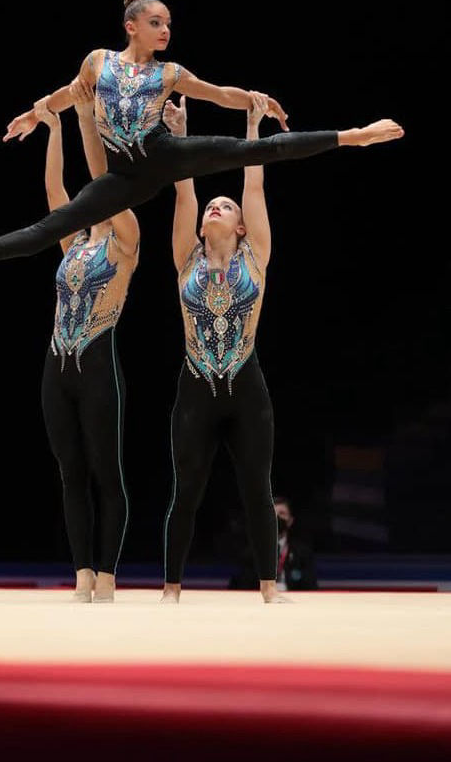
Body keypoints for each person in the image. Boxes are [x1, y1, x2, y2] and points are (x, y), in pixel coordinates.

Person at [0, 0, 403, 275]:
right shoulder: (97, 62)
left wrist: (253, 96)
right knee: (56, 225)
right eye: (156, 22)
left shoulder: (168, 73)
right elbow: (68, 93)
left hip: (163, 155)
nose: (165, 30)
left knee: (257, 149)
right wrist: (35, 112)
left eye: (168, 23)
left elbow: (217, 93)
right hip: (126, 177)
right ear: (132, 26)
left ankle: (354, 135)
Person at [161, 94, 285, 603]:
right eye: (213, 205)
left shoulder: (256, 255)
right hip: (194, 388)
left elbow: (252, 182)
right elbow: (183, 190)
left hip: (246, 388)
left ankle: (269, 589)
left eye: (226, 206)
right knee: (186, 492)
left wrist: (251, 124)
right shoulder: (185, 257)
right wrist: (183, 134)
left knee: (257, 488)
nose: (217, 205)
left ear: (239, 226)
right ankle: (171, 590)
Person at [35, 89, 139, 603]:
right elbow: (54, 187)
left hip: (99, 362)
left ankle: (107, 574)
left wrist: (86, 121)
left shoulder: (125, 237)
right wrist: (54, 127)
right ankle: (80, 574)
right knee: (70, 471)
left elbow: (108, 184)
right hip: (57, 365)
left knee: (105, 471)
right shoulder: (72, 240)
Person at [274, 497, 318, 591]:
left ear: (290, 521)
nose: (277, 518)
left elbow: (311, 587)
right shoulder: (254, 553)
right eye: (273, 514)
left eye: (282, 513)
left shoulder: (302, 552)